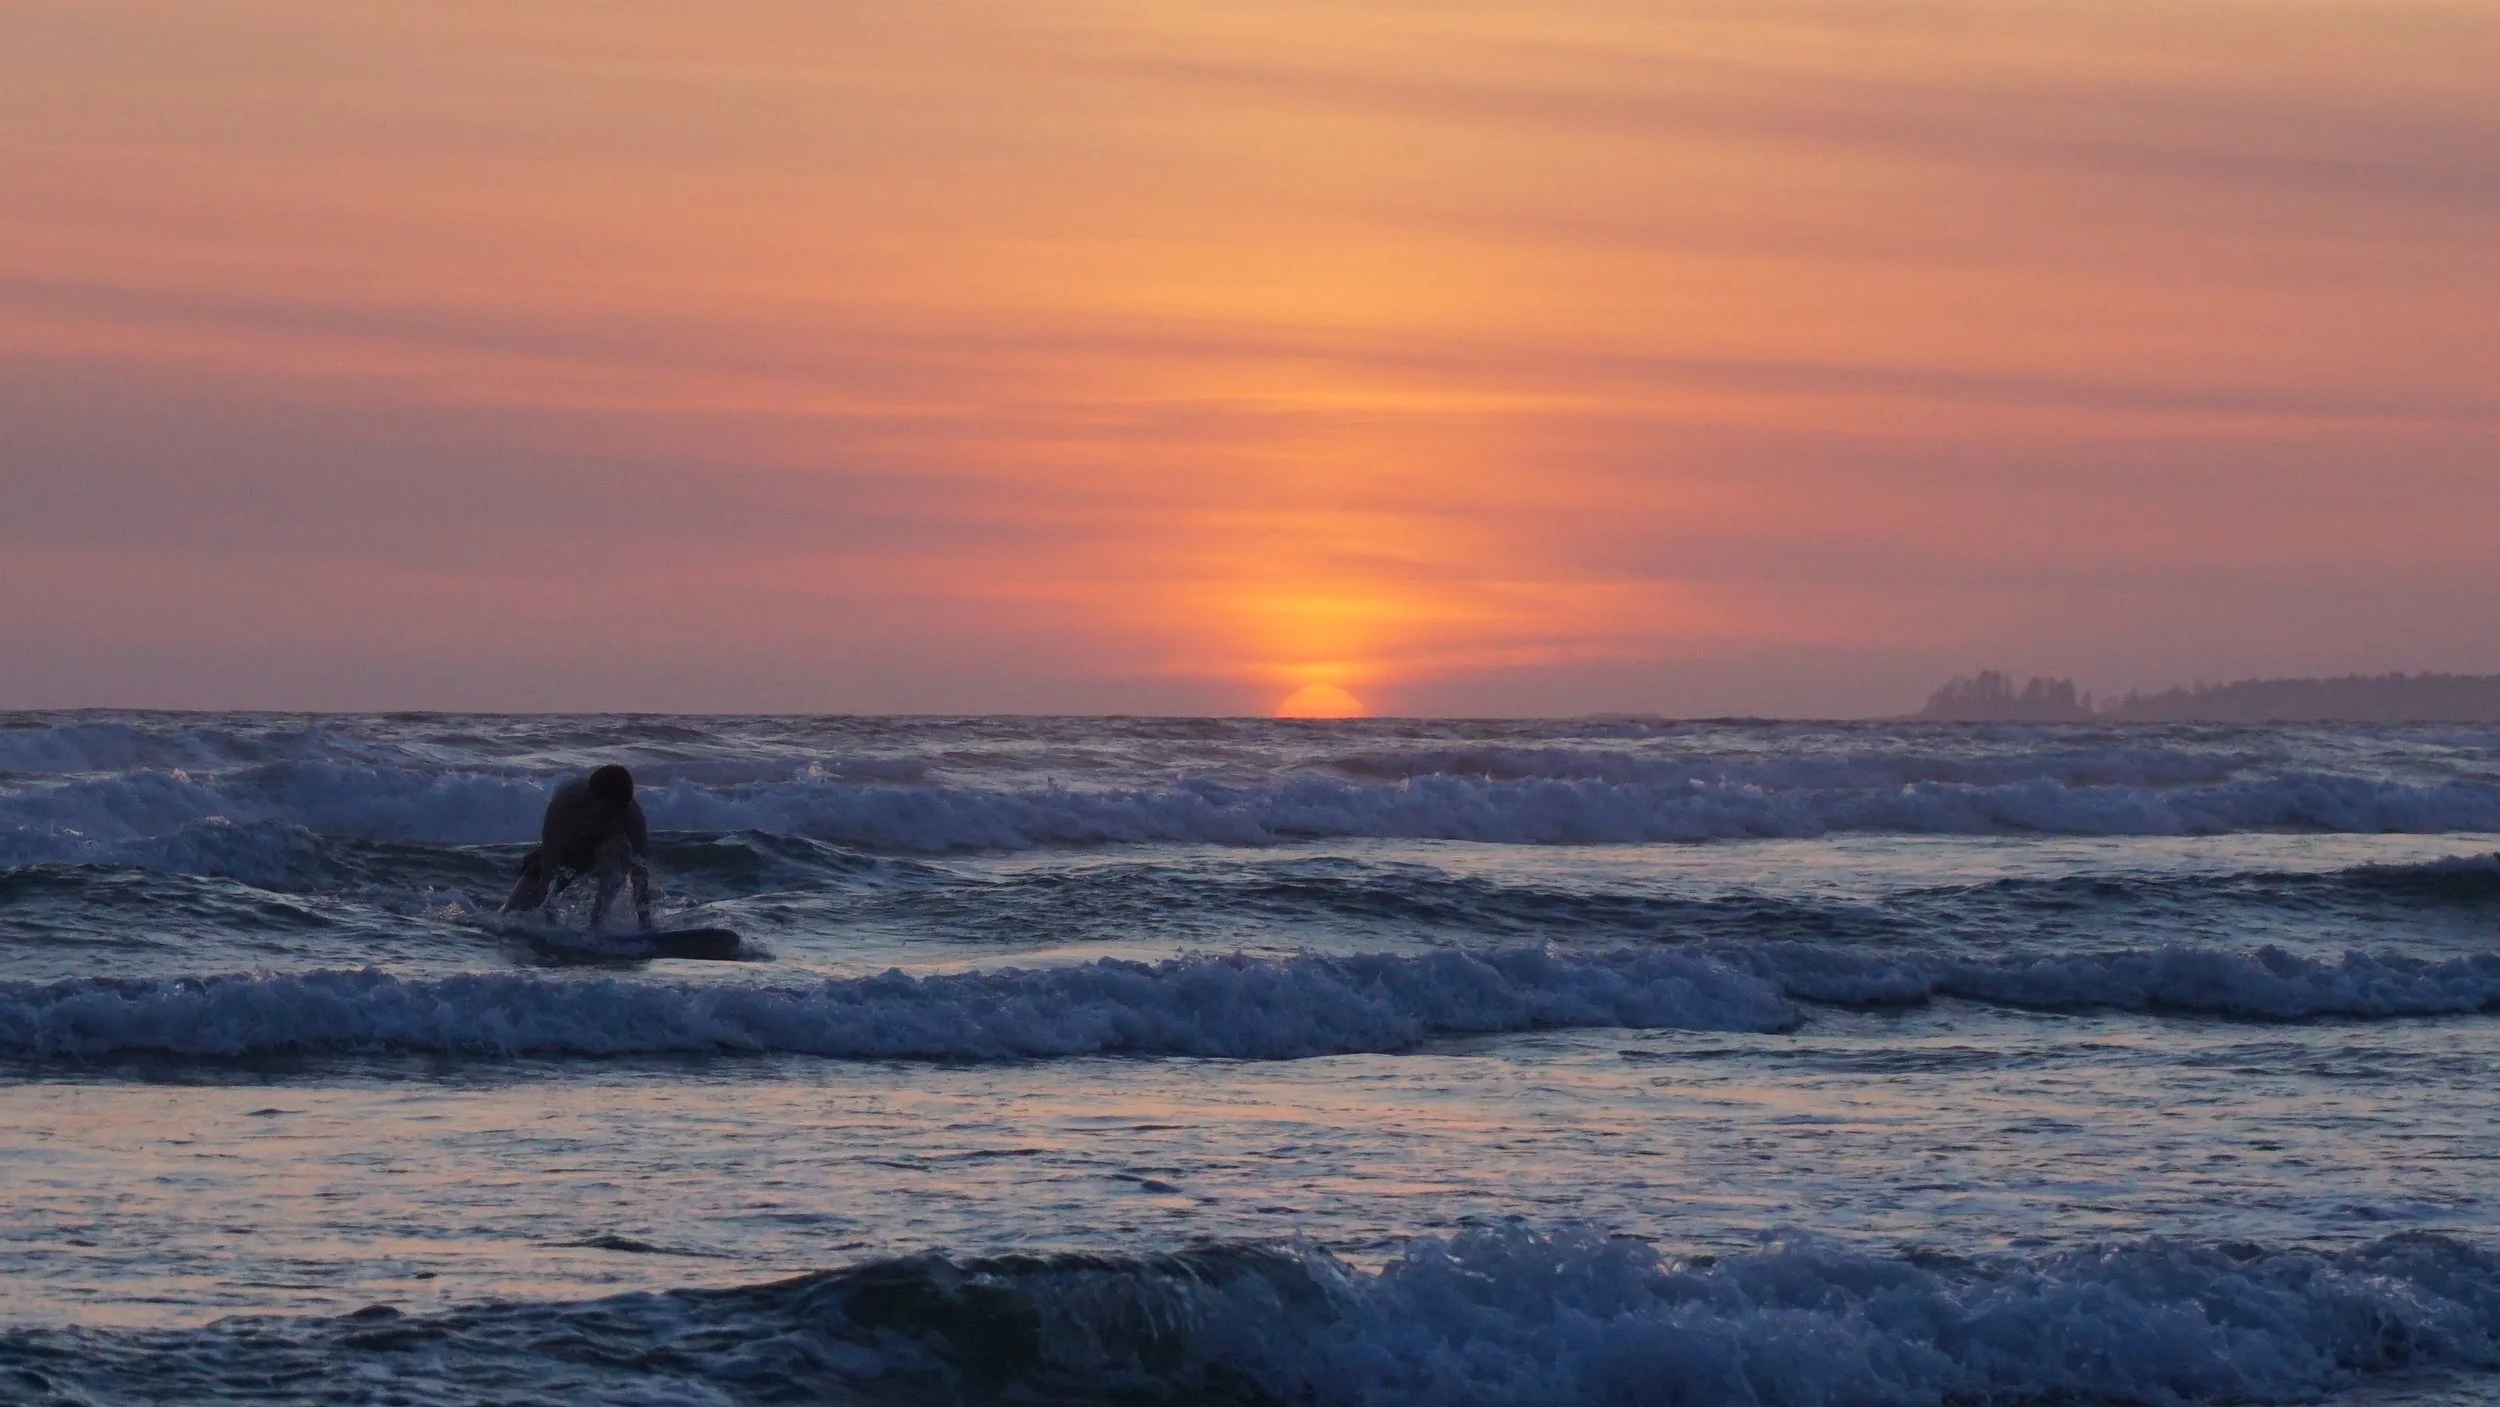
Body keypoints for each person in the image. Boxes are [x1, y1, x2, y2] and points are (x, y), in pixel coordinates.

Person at [502, 764, 654, 931]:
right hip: (564, 853)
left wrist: (645, 922)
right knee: (513, 909)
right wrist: (546, 915)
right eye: (604, 811)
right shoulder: (565, 805)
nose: (609, 818)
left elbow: (640, 872)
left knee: (622, 851)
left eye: (616, 813)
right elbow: (548, 861)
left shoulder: (631, 817)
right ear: (590, 799)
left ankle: (597, 922)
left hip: (601, 857)